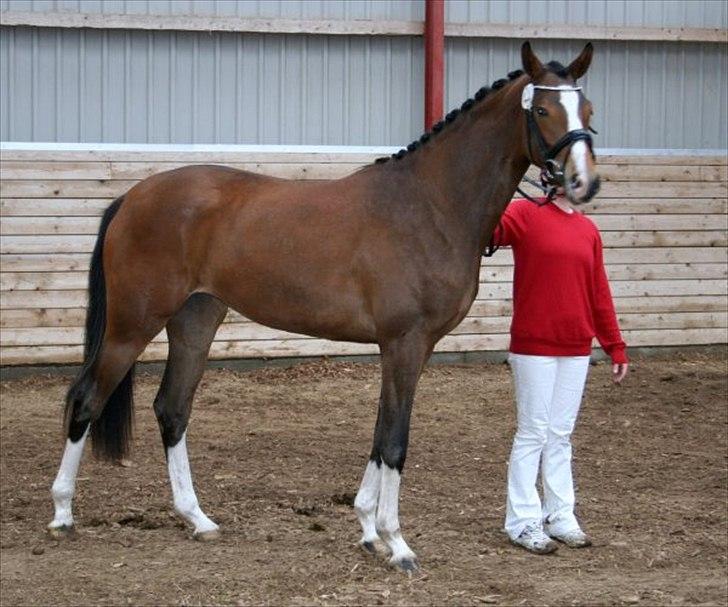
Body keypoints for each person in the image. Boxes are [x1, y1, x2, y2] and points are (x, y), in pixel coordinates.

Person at [493, 187, 629, 554]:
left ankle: (560, 515)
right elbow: (486, 229)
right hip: (533, 346)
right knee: (533, 432)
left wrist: (614, 344)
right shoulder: (524, 214)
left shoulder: (588, 230)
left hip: (575, 348)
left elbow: (598, 290)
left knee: (560, 434)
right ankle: (522, 522)